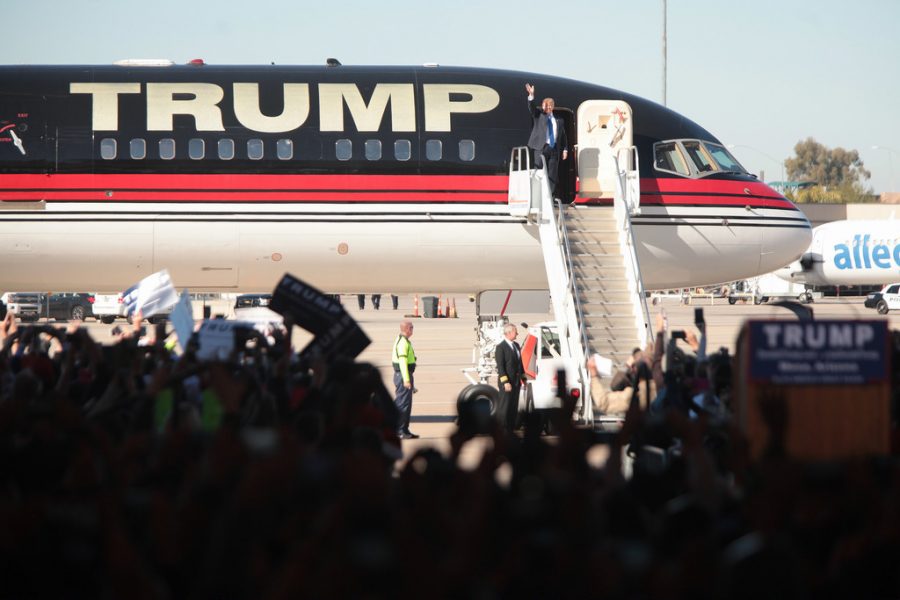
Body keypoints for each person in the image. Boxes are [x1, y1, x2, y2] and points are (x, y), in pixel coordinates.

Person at [525, 83, 568, 197]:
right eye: (546, 105)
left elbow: (562, 136)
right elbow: (532, 108)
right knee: (538, 171)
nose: (548, 107)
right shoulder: (538, 115)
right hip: (541, 147)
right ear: (543, 106)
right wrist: (531, 95)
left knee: (552, 174)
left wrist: (565, 149)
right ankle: (536, 196)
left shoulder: (559, 120)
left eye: (550, 106)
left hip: (554, 149)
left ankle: (550, 196)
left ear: (553, 106)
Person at [494, 322, 525, 433]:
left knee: (513, 407)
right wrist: (505, 382)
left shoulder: (516, 345)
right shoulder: (500, 347)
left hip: (516, 382)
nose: (517, 333)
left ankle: (510, 429)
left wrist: (523, 377)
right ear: (509, 333)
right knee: (504, 407)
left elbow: (519, 363)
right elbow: (500, 367)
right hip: (507, 383)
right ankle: (501, 430)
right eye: (515, 331)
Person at [391, 320, 419, 439]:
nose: (413, 329)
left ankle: (405, 430)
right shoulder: (403, 343)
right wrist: (406, 380)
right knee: (403, 404)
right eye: (411, 327)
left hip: (405, 375)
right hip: (403, 375)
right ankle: (400, 430)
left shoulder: (403, 340)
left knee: (406, 404)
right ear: (407, 329)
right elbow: (402, 362)